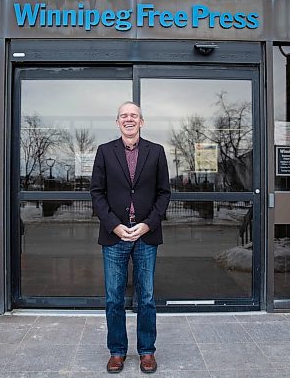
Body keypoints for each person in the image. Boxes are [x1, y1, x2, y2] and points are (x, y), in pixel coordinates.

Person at [90, 101, 171, 374]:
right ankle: (117, 351)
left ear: (141, 121)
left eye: (133, 115)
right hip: (116, 236)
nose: (129, 119)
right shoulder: (104, 152)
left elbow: (164, 194)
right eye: (124, 115)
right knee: (114, 297)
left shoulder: (157, 152)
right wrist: (114, 225)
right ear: (117, 122)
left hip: (145, 235)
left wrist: (148, 224)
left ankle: (147, 351)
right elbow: (96, 193)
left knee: (146, 297)